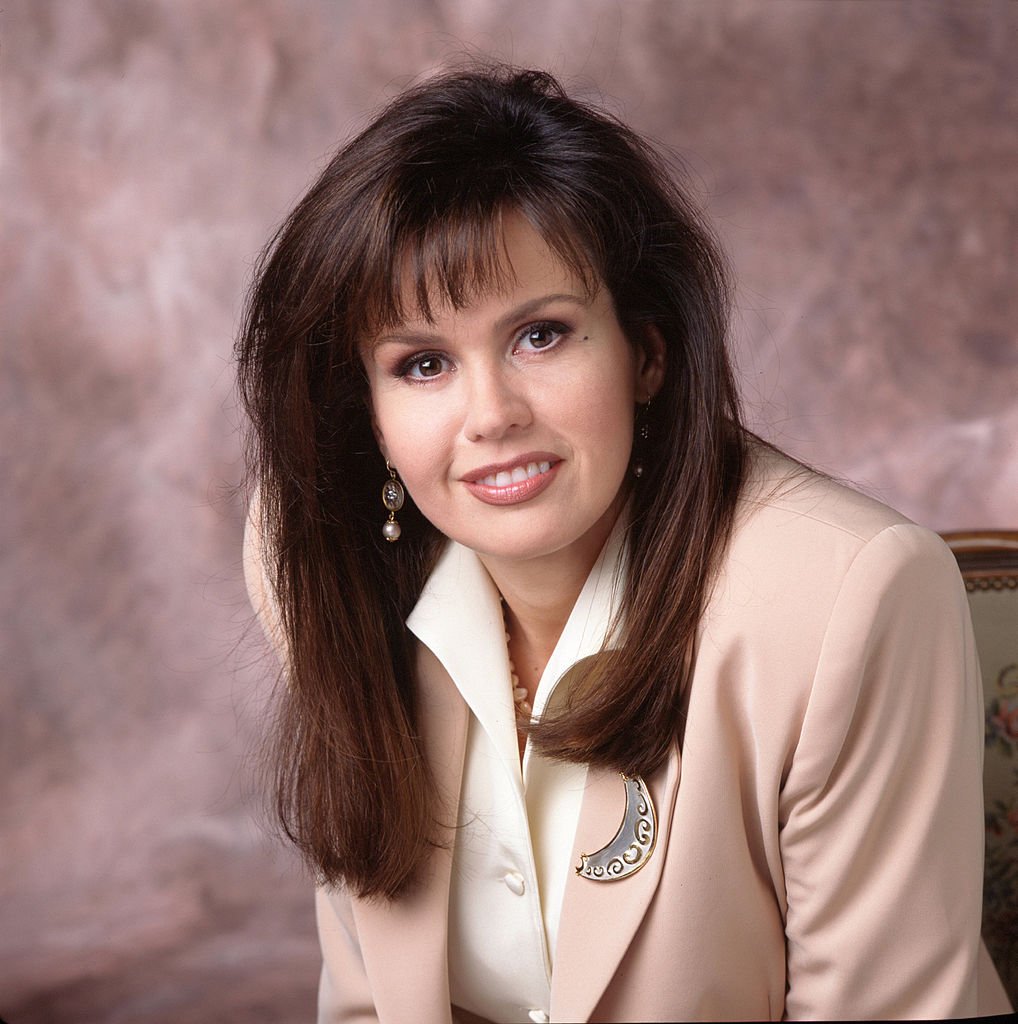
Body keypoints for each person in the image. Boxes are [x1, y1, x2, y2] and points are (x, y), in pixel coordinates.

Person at [237, 64, 1009, 1022]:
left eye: (541, 336)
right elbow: (364, 997)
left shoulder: (844, 600)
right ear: (370, 408)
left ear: (647, 350)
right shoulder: (315, 563)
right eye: (423, 363)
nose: (491, 416)